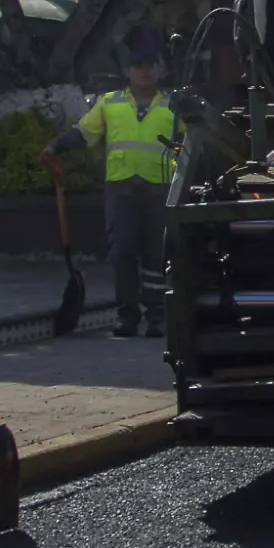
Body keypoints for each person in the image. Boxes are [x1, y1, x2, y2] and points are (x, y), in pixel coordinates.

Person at [43, 45, 177, 337]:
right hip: (122, 189)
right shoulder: (109, 103)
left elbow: (192, 144)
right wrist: (57, 147)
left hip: (160, 188)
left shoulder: (172, 105)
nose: (145, 71)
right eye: (139, 65)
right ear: (128, 72)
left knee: (157, 256)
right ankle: (127, 315)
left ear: (159, 70)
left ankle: (157, 316)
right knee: (123, 252)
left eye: (150, 65)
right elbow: (85, 132)